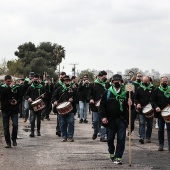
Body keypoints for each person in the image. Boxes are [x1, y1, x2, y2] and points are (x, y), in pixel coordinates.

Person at [100, 74, 132, 165]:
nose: (116, 82)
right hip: (110, 120)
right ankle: (111, 152)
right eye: (115, 81)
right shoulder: (108, 92)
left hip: (122, 120)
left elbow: (130, 108)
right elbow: (102, 106)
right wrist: (104, 117)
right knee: (110, 139)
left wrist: (131, 104)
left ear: (121, 82)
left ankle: (118, 156)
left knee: (121, 139)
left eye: (118, 81)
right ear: (112, 82)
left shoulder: (126, 93)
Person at [52, 75, 77, 142]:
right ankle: (64, 136)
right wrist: (54, 101)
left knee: (71, 122)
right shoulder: (59, 89)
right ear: (63, 82)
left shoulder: (73, 89)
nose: (67, 82)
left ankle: (70, 136)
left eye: (68, 81)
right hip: (61, 109)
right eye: (66, 81)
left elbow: (77, 98)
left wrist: (73, 99)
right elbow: (54, 97)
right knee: (62, 123)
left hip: (71, 109)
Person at [0, 75, 22, 148]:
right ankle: (8, 142)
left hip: (14, 109)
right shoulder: (2, 87)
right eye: (8, 82)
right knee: (6, 127)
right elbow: (1, 96)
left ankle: (14, 139)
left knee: (15, 125)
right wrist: (9, 88)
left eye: (10, 81)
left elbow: (20, 97)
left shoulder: (16, 87)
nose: (9, 83)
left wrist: (17, 101)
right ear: (5, 81)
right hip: (5, 109)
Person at [88, 70, 109, 142]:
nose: (105, 78)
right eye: (103, 77)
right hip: (95, 106)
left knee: (104, 121)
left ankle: (102, 136)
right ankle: (95, 132)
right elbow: (89, 94)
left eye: (105, 77)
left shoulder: (107, 84)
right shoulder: (93, 84)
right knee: (96, 121)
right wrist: (91, 99)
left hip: (104, 106)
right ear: (99, 77)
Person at [151, 76, 170, 151]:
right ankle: (161, 144)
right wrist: (156, 107)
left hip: (169, 113)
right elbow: (152, 100)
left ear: (167, 82)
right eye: (163, 81)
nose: (164, 83)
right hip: (160, 113)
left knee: (169, 129)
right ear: (160, 82)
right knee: (161, 129)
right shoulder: (156, 90)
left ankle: (169, 145)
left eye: (166, 81)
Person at [135, 75, 155, 144]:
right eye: (144, 81)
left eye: (146, 81)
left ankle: (148, 137)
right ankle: (142, 137)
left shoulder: (153, 88)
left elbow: (155, 98)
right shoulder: (139, 88)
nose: (145, 82)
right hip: (141, 109)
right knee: (142, 123)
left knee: (149, 124)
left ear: (149, 81)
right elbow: (135, 98)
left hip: (151, 110)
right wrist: (137, 103)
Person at [53, 71, 66, 137]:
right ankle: (58, 130)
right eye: (61, 76)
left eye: (63, 76)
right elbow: (54, 94)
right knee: (59, 118)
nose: (62, 77)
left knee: (64, 119)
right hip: (59, 103)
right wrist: (55, 101)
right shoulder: (57, 85)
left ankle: (62, 130)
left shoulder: (67, 85)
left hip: (66, 104)